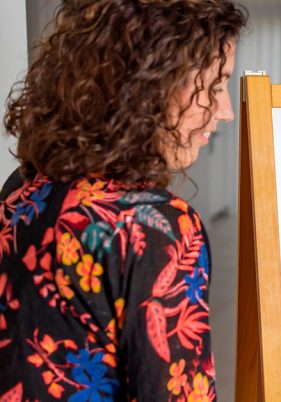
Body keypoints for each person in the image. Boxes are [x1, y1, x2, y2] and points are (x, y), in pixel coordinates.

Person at [0, 0, 246, 400]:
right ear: (151, 82)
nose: (227, 111)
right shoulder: (154, 228)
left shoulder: (20, 193)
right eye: (215, 86)